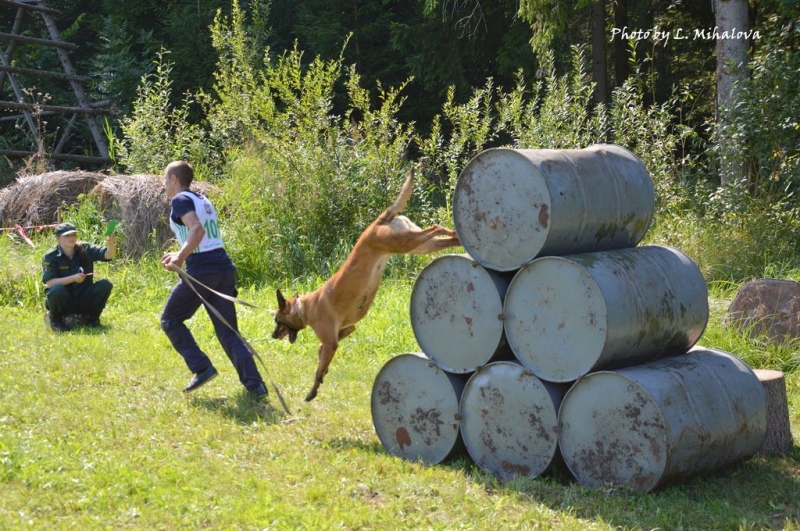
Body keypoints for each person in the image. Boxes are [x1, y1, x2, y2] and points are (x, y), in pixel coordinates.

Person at [160, 160, 268, 399]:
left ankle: (202, 368)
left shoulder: (180, 200)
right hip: (223, 267)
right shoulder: (202, 199)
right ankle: (256, 386)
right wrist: (179, 253)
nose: (164, 185)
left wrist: (180, 257)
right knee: (229, 332)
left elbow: (196, 231)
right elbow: (202, 236)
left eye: (165, 180)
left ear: (175, 180)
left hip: (203, 269)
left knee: (170, 320)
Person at [41, 222, 116, 332]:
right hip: (63, 301)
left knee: (105, 285)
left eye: (74, 234)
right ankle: (56, 320)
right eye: (67, 235)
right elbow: (50, 283)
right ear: (58, 238)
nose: (71, 238)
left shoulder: (85, 249)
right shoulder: (51, 256)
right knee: (57, 289)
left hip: (83, 298)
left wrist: (110, 244)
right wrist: (74, 278)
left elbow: (108, 255)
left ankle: (93, 320)